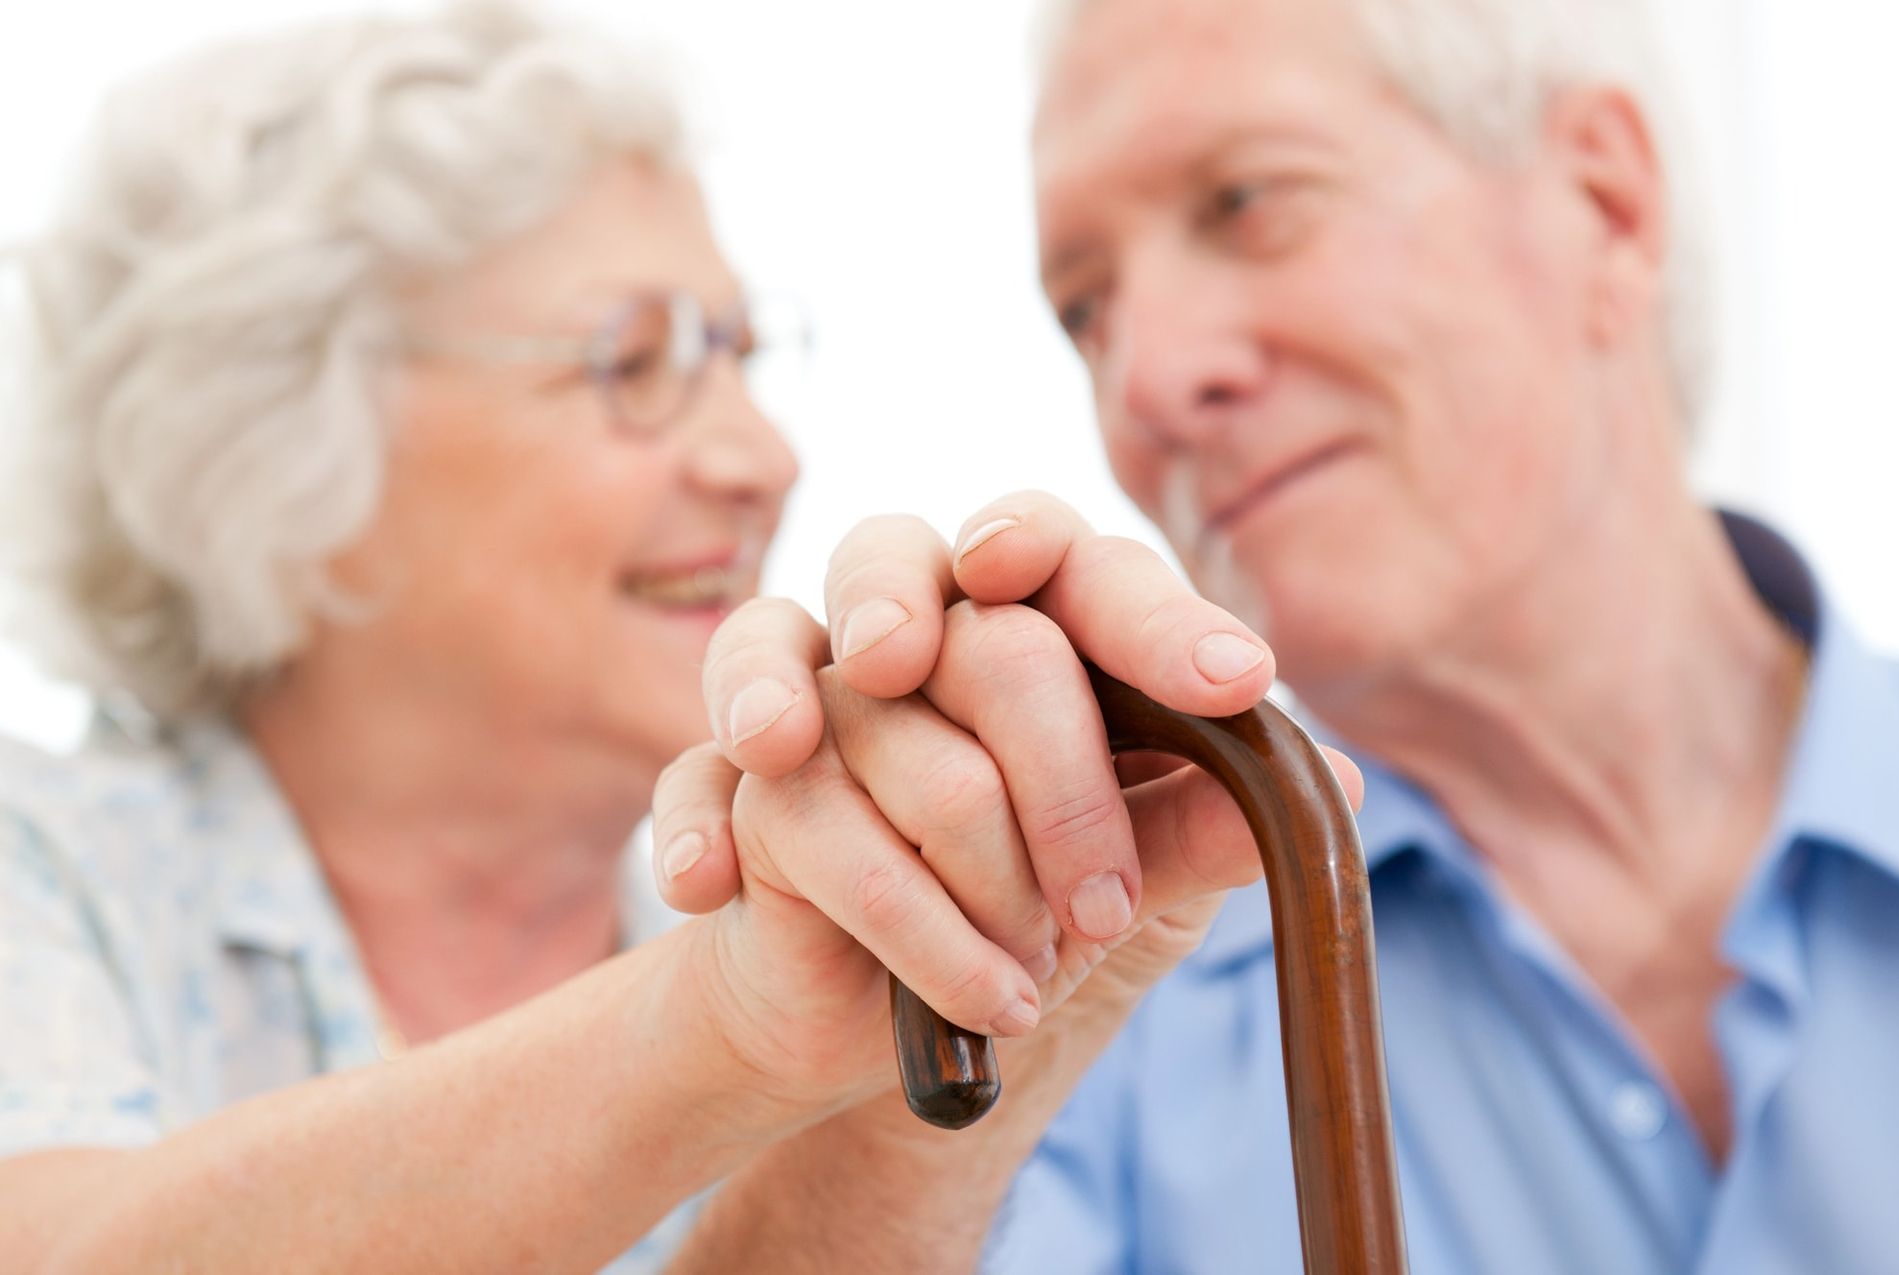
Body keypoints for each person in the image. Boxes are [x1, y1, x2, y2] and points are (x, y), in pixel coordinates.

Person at [0, 5, 1350, 1271]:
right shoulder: (45, 861)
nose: (761, 454)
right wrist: (718, 1027)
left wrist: (941, 1054)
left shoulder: (787, 925)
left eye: (740, 354)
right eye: (634, 361)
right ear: (267, 441)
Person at [652, 0, 1899, 1271]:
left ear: (1608, 205)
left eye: (1248, 203)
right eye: (1086, 310)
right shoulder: (1072, 980)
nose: (1142, 381)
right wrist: (911, 1084)